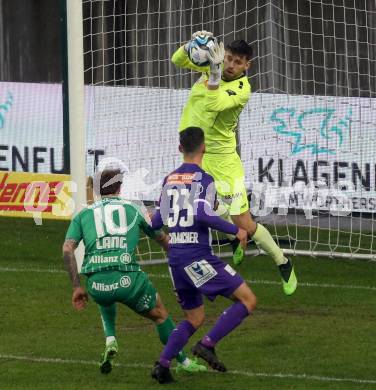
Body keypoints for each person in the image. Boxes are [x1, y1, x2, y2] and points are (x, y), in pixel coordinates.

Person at [171, 31, 297, 295]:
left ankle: (282, 262)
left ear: (246, 66)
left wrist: (214, 73)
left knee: (245, 222)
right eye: (228, 58)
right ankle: (233, 240)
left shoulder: (242, 89)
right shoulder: (212, 64)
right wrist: (192, 44)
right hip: (196, 153)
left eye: (237, 62)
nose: (230, 64)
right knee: (203, 207)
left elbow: (215, 103)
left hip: (224, 160)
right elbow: (177, 60)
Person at [62, 169, 206, 375]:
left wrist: (77, 287)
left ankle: (110, 340)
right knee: (160, 315)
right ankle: (184, 362)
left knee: (106, 296)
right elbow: (163, 240)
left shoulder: (83, 214)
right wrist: (181, 265)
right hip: (128, 281)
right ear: (120, 187)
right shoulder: (134, 209)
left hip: (96, 284)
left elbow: (67, 248)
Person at [150, 127, 257, 384]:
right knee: (247, 300)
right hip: (196, 258)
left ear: (180, 149)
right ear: (204, 148)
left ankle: (163, 365)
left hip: (175, 259)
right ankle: (208, 345)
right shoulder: (204, 179)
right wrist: (237, 230)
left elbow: (155, 222)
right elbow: (201, 214)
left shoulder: (169, 180)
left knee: (194, 317)